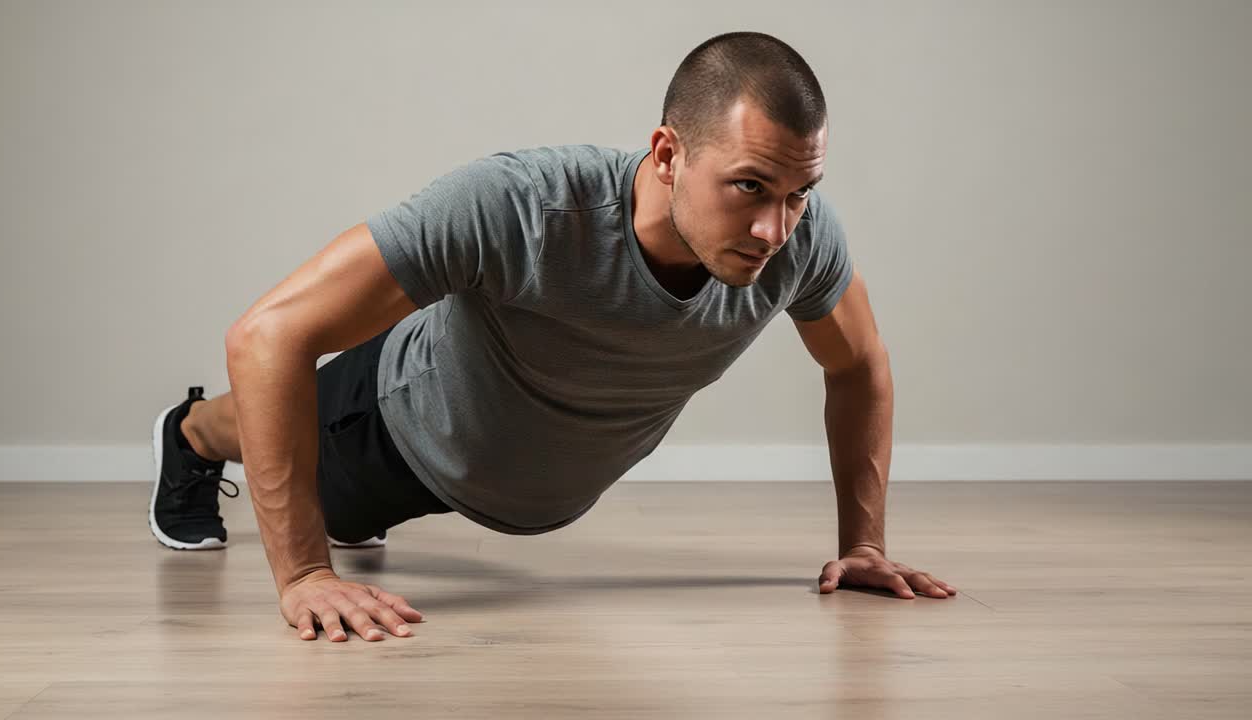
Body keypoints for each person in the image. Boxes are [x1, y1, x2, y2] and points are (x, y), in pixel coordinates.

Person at [148, 31, 957, 644]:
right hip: (394, 429)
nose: (773, 228)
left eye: (799, 193)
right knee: (266, 437)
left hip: (509, 472)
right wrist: (303, 575)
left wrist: (864, 544)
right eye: (748, 186)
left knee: (350, 507)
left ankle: (340, 513)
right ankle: (188, 435)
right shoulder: (521, 206)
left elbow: (860, 364)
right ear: (668, 155)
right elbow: (266, 336)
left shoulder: (804, 243)